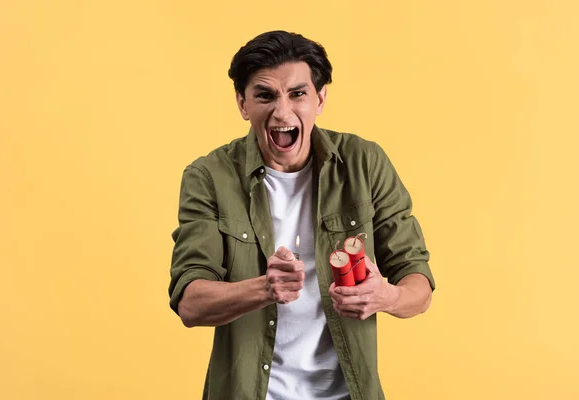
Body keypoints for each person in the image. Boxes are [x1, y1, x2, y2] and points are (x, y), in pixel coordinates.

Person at [168, 30, 436, 400]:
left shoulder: (364, 163)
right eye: (265, 95)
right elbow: (191, 303)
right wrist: (265, 288)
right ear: (243, 104)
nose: (282, 112)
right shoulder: (209, 177)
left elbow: (418, 285)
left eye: (297, 94)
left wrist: (385, 296)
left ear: (320, 98)